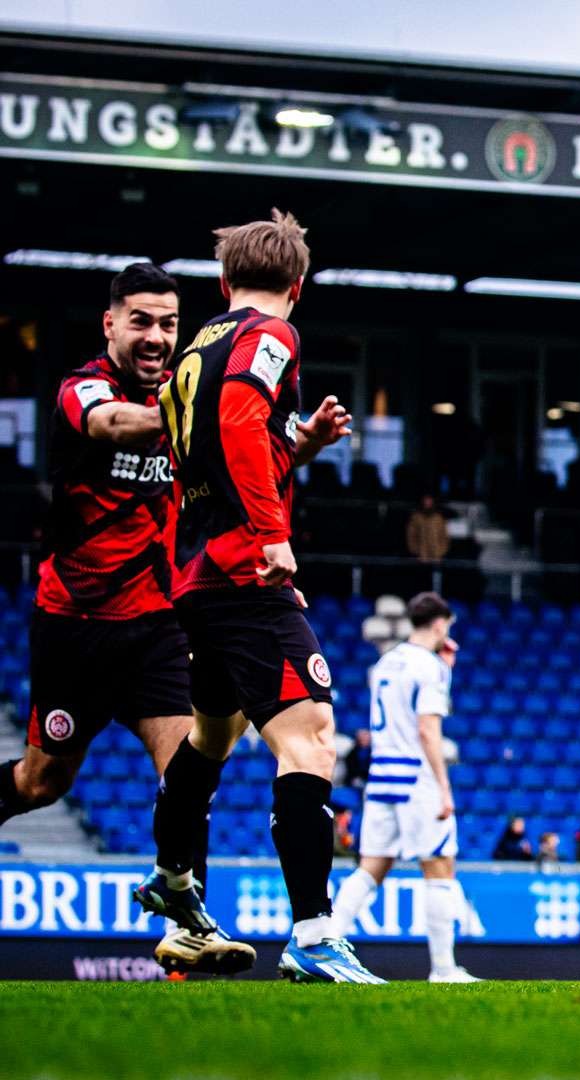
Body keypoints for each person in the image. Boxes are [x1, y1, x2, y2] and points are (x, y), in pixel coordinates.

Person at [0, 263, 253, 976]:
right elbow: (111, 424)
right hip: (75, 625)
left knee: (189, 771)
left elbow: (245, 454)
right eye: (141, 320)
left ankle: (186, 930)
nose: (156, 336)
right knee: (42, 783)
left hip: (157, 628)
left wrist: (306, 437)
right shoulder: (84, 388)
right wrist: (195, 409)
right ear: (110, 324)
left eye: (169, 324)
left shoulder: (184, 399)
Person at [150, 210, 370, 982]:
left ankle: (173, 878)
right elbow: (241, 422)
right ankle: (313, 935)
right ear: (298, 286)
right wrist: (272, 531)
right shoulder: (274, 336)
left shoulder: (196, 349)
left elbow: (213, 447)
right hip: (246, 568)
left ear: (223, 281)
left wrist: (301, 444)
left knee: (212, 738)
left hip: (195, 571)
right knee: (311, 738)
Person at [324, 592, 477, 982]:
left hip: (381, 777)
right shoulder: (430, 667)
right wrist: (444, 787)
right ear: (440, 624)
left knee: (371, 868)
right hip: (416, 777)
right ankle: (443, 969)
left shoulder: (386, 662)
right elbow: (427, 728)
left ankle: (323, 947)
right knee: (440, 867)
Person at [404, 494, 449, 562]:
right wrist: (414, 550)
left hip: (436, 555)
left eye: (429, 502)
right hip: (421, 556)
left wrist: (442, 551)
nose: (428, 504)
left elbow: (444, 535)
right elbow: (411, 535)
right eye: (426, 502)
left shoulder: (438, 518)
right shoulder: (416, 518)